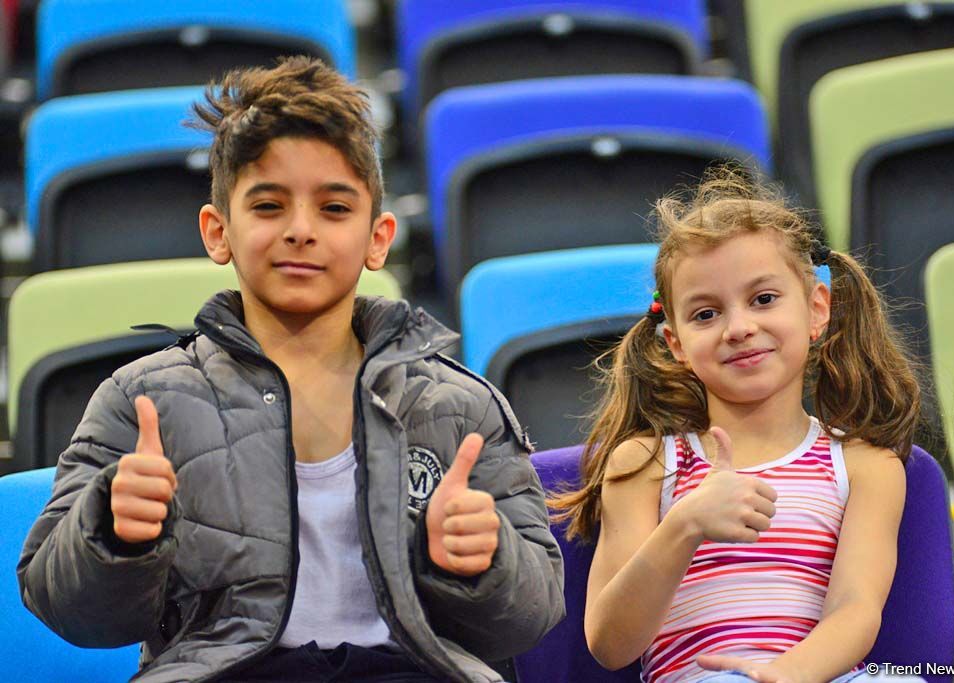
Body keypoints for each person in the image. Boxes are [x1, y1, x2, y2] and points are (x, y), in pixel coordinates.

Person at [18, 56, 564, 683]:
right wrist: (114, 535)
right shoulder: (141, 399)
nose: (301, 231)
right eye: (269, 206)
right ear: (218, 231)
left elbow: (532, 616)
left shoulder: (460, 407)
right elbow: (67, 609)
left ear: (378, 238)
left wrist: (479, 562)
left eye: (334, 209)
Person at [550, 170, 924, 683]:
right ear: (676, 343)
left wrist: (789, 675)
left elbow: (855, 608)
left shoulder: (865, 464)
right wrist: (685, 524)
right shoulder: (645, 461)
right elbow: (611, 643)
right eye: (706, 314)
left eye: (764, 299)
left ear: (817, 309)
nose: (740, 327)